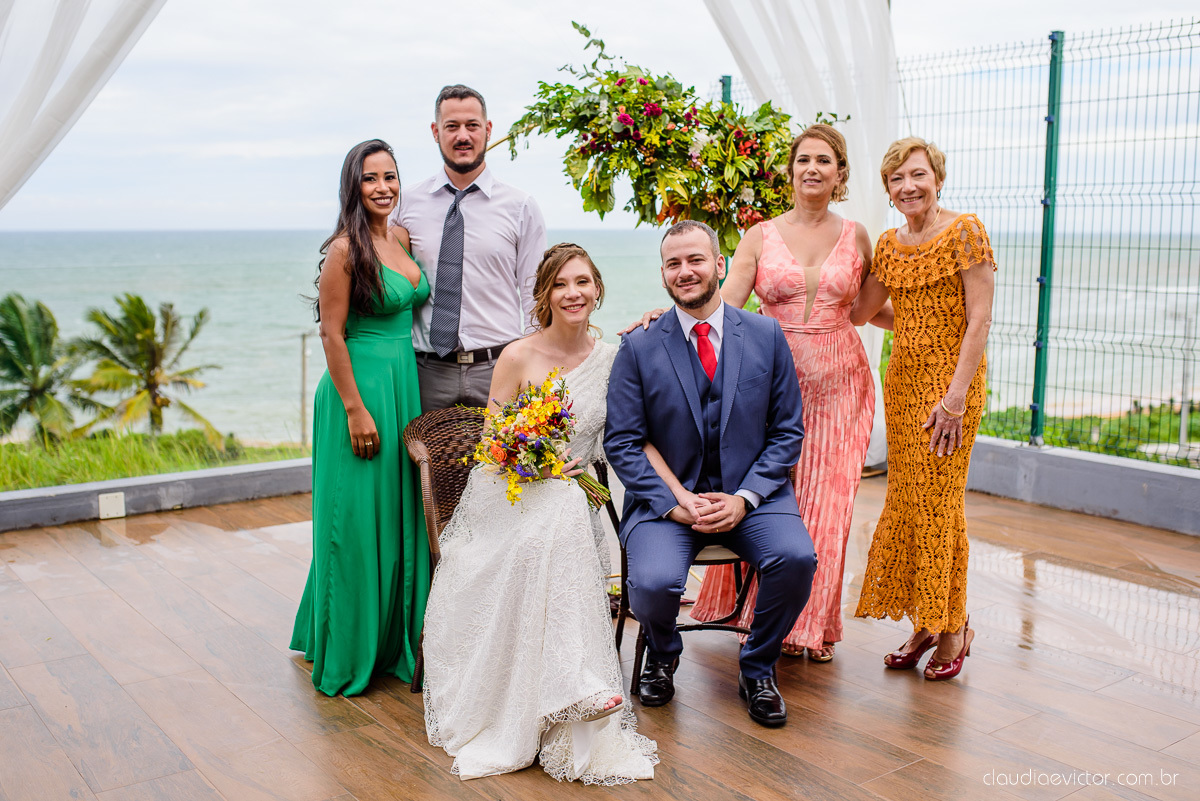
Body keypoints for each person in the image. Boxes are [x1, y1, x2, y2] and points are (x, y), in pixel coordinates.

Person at [421, 244, 657, 784]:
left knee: (571, 504)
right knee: (564, 505)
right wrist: (537, 461)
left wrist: (656, 318)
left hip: (577, 493)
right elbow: (490, 441)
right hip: (511, 491)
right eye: (560, 285)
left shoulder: (616, 354)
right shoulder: (518, 355)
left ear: (597, 288)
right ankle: (573, 685)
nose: (573, 293)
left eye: (582, 282)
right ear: (544, 295)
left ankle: (572, 689)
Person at [605, 220, 817, 728]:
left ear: (720, 265)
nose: (686, 271)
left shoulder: (765, 335)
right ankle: (662, 652)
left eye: (696, 259)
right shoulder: (638, 346)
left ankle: (758, 666)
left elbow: (788, 431)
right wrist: (673, 503)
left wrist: (744, 497)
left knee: (796, 559)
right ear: (661, 275)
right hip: (667, 505)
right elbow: (622, 441)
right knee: (652, 585)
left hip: (751, 499)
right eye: (674, 263)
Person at [690, 124, 877, 663]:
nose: (812, 168)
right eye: (804, 160)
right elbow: (724, 304)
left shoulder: (859, 236)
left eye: (824, 160)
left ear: (840, 173)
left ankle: (809, 624)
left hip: (842, 384)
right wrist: (669, 320)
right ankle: (757, 613)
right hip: (768, 383)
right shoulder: (759, 235)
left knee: (829, 504)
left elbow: (868, 309)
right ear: (790, 170)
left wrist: (934, 322)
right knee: (770, 494)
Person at [851, 137, 996, 681]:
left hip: (951, 390)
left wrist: (956, 399)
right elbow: (865, 312)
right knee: (910, 503)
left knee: (939, 507)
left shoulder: (964, 232)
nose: (908, 186)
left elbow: (979, 320)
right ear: (888, 190)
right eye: (896, 180)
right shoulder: (889, 245)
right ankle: (925, 622)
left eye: (917, 175)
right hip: (904, 382)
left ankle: (954, 627)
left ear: (937, 177)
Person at [291, 139, 430, 696]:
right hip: (360, 393)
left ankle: (397, 641)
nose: (383, 187)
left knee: (398, 517)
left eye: (391, 177)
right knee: (354, 524)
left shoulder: (399, 237)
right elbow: (330, 332)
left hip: (403, 385)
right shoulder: (344, 250)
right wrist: (354, 409)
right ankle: (348, 646)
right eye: (371, 178)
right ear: (354, 185)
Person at [390, 84, 547, 410]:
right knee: (426, 462)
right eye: (452, 126)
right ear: (436, 132)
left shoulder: (521, 206)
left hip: (499, 368)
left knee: (503, 462)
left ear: (488, 130)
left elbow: (535, 295)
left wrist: (533, 369)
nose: (463, 136)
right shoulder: (405, 204)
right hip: (425, 372)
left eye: (472, 126)